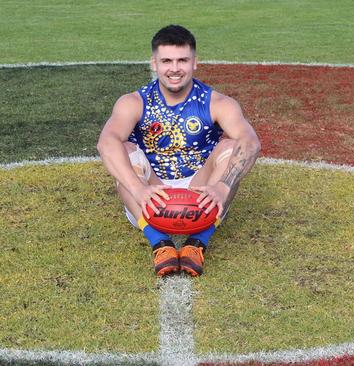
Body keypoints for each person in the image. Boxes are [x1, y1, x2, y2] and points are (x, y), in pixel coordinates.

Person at [97, 24, 260, 277]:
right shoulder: (134, 102)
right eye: (167, 61)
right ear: (154, 63)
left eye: (182, 60)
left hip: (202, 191)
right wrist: (138, 189)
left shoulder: (217, 102)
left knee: (231, 146)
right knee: (125, 149)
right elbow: (105, 142)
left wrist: (223, 187)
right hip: (150, 194)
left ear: (195, 62)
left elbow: (250, 141)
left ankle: (198, 242)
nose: (174, 68)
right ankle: (160, 243)